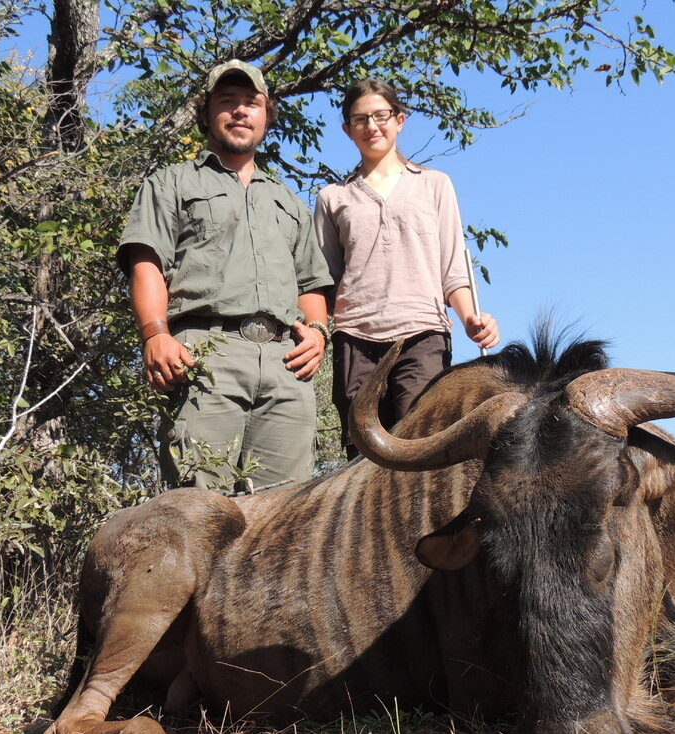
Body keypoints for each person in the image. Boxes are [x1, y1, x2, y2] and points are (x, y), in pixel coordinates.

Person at [118, 60, 333, 491]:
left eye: (251, 103)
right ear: (207, 113)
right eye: (227, 101)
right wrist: (155, 334)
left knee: (285, 519)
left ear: (266, 116)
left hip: (286, 366)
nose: (240, 111)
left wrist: (318, 332)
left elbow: (310, 282)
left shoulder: (288, 200)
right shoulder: (170, 183)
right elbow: (146, 262)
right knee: (198, 511)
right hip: (204, 355)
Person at [314, 79, 499, 459]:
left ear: (399, 120)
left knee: (424, 448)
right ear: (347, 130)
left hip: (423, 333)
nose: (372, 126)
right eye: (360, 119)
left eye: (381, 116)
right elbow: (322, 280)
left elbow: (453, 269)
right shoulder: (332, 198)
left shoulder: (435, 185)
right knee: (362, 458)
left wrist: (470, 319)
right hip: (355, 338)